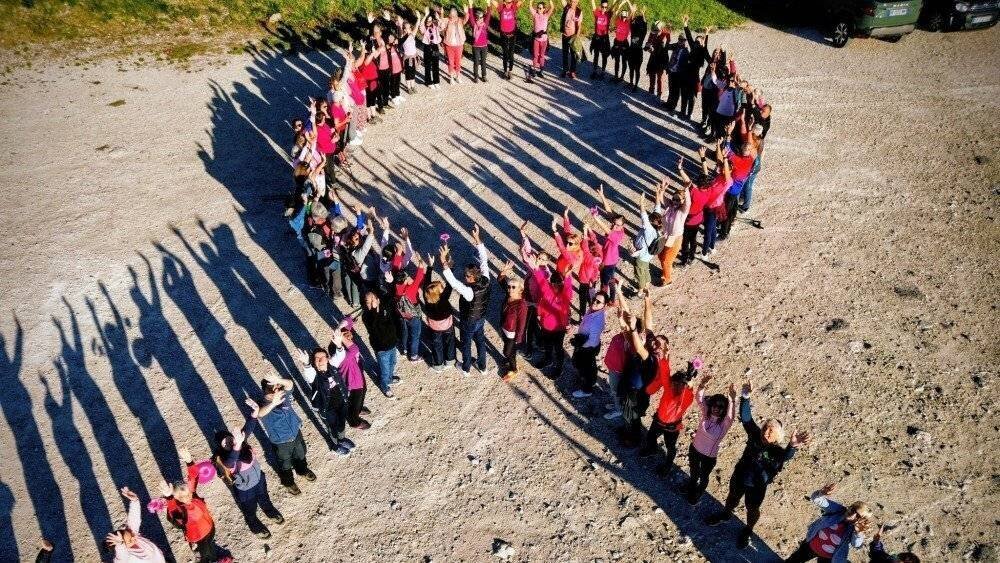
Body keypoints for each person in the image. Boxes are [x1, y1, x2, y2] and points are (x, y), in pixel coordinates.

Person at [705, 376, 811, 549]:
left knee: (752, 508)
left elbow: (785, 457)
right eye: (765, 429)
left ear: (778, 436)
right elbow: (746, 419)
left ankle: (748, 529)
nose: (766, 434)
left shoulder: (776, 451)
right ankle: (725, 514)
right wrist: (745, 397)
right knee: (732, 497)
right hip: (739, 476)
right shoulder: (754, 435)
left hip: (757, 486)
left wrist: (792, 446)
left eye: (771, 432)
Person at [213, 413, 285, 539]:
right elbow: (231, 462)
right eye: (225, 444)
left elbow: (249, 427)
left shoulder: (242, 443)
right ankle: (254, 525)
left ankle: (270, 512)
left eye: (229, 439)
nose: (229, 443)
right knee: (250, 510)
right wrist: (237, 445)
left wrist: (254, 414)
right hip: (245, 490)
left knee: (265, 498)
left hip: (259, 480)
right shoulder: (226, 459)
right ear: (221, 449)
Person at [441, 224, 493, 376]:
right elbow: (484, 261)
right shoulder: (486, 279)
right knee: (481, 341)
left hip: (469, 320)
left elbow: (454, 283)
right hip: (480, 317)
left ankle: (466, 368)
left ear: (472, 277)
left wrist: (444, 263)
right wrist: (478, 240)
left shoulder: (469, 291)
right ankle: (483, 367)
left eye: (466, 276)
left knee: (466, 343)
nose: (464, 278)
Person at [255, 374, 316, 495]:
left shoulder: (283, 395)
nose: (275, 390)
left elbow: (290, 384)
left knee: (301, 454)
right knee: (285, 464)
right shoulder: (262, 404)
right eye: (270, 388)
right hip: (281, 442)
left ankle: (302, 470)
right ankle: (288, 482)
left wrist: (278, 380)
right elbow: (259, 414)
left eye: (277, 387)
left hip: (296, 433)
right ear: (264, 391)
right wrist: (273, 403)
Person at [639, 354, 697, 481]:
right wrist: (663, 358)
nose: (676, 386)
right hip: (658, 422)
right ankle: (652, 449)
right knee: (650, 436)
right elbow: (665, 373)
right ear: (671, 383)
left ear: (684, 386)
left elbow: (690, 391)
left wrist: (690, 382)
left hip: (672, 428)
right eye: (674, 383)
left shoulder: (685, 398)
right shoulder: (668, 389)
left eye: (680, 384)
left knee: (670, 447)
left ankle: (668, 465)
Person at [784, 483, 872, 563]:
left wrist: (858, 533)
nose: (853, 515)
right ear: (850, 507)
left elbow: (856, 545)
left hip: (828, 557)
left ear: (861, 520)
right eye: (853, 510)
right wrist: (821, 493)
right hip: (811, 545)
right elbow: (817, 499)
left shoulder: (855, 529)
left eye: (858, 516)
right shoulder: (838, 510)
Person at [160, 448, 218, 561]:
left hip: (209, 528)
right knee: (203, 555)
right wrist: (168, 497)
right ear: (175, 497)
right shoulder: (178, 509)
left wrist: (189, 461)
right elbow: (174, 514)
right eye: (181, 497)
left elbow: (194, 477)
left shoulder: (192, 495)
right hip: (197, 537)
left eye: (187, 494)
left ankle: (211, 555)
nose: (186, 498)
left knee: (210, 545)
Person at [686, 376, 737, 505]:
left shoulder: (725, 424)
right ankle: (691, 487)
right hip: (694, 449)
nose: (716, 408)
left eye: (720, 407)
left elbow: (731, 416)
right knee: (693, 472)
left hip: (708, 457)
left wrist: (731, 400)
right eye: (715, 405)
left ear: (724, 410)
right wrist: (702, 385)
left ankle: (698, 493)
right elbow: (699, 399)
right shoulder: (706, 413)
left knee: (703, 477)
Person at [677, 151, 731, 265]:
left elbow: (689, 181)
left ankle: (704, 254)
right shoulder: (716, 181)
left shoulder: (727, 182)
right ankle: (711, 247)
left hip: (713, 209)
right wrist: (702, 158)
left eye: (723, 169)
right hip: (709, 207)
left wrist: (725, 158)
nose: (720, 169)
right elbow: (706, 174)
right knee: (712, 229)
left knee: (708, 231)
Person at [616, 295, 655, 446]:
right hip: (629, 386)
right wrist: (646, 301)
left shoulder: (648, 356)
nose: (642, 337)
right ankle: (629, 433)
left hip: (637, 393)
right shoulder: (637, 342)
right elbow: (628, 318)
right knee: (629, 415)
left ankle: (633, 439)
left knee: (633, 417)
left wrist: (632, 328)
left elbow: (644, 326)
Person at [528, 251, 574, 378]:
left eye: (558, 282)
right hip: (545, 325)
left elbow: (562, 290)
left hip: (558, 329)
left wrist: (569, 277)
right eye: (553, 282)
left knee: (558, 349)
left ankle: (559, 368)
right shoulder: (550, 290)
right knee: (548, 345)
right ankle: (548, 359)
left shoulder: (564, 297)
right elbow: (543, 285)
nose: (555, 284)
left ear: (562, 283)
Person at [299, 346, 352, 456]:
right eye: (316, 359)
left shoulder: (332, 366)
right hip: (327, 409)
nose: (320, 360)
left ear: (327, 359)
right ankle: (335, 446)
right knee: (332, 428)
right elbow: (309, 373)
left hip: (342, 403)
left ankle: (341, 439)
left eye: (322, 357)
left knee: (342, 422)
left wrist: (338, 346)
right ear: (314, 362)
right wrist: (306, 364)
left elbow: (340, 356)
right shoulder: (314, 376)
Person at [104, 487, 166, 562]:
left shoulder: (133, 535)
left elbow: (134, 519)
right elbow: (122, 555)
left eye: (131, 535)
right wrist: (120, 545)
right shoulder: (125, 558)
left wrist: (134, 501)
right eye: (130, 541)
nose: (134, 538)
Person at [361, 287, 401, 397]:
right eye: (368, 302)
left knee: (392, 363)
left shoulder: (383, 307)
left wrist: (390, 282)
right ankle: (384, 386)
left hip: (392, 343)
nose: (370, 303)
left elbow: (391, 296)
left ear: (377, 299)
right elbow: (375, 326)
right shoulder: (366, 316)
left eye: (372, 299)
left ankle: (390, 378)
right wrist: (375, 311)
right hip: (381, 348)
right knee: (384, 370)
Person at [335, 317, 372, 429]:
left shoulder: (347, 340)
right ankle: (354, 422)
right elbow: (354, 350)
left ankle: (358, 409)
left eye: (349, 333)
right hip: (352, 382)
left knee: (363, 392)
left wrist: (350, 321)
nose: (349, 335)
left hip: (358, 376)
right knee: (355, 399)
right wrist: (341, 335)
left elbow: (346, 321)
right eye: (345, 335)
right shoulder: (337, 349)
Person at [592, 183, 626, 304]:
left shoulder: (616, 235)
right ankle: (611, 299)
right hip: (610, 259)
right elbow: (609, 212)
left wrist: (595, 217)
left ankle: (605, 300)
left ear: (622, 225)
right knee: (609, 279)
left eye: (617, 225)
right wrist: (602, 196)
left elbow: (606, 228)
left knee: (605, 282)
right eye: (614, 223)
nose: (614, 225)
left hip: (608, 261)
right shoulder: (619, 228)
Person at [423, 259, 458, 372]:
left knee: (437, 346)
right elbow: (450, 284)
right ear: (438, 292)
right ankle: (450, 360)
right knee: (450, 343)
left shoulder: (427, 299)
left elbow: (426, 285)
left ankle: (438, 365)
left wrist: (430, 267)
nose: (443, 288)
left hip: (434, 328)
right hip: (447, 326)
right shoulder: (443, 298)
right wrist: (450, 268)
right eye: (441, 288)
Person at [571, 291, 606, 397]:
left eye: (598, 301)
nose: (594, 302)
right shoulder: (593, 310)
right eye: (594, 299)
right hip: (584, 345)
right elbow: (592, 293)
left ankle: (587, 390)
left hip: (588, 348)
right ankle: (585, 379)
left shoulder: (598, 320)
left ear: (604, 305)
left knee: (587, 369)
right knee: (581, 365)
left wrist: (579, 346)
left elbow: (592, 340)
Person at [497, 261, 528, 381]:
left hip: (512, 332)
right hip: (504, 327)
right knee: (508, 350)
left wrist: (519, 339)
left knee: (506, 351)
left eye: (513, 287)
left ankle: (514, 369)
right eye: (509, 286)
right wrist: (504, 271)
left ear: (520, 289)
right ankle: (510, 358)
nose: (510, 289)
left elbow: (522, 323)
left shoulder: (521, 305)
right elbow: (500, 280)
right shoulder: (509, 294)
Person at [394, 252, 427, 362]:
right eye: (407, 276)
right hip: (413, 316)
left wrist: (398, 254)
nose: (409, 277)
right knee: (415, 336)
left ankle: (404, 350)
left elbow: (395, 268)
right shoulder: (411, 288)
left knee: (405, 333)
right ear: (404, 280)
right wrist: (420, 260)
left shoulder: (397, 286)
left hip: (402, 315)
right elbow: (420, 274)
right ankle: (413, 356)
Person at [629, 190, 663, 295]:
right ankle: (647, 284)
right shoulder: (657, 228)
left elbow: (643, 215)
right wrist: (657, 194)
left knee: (639, 273)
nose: (647, 219)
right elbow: (657, 208)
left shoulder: (649, 230)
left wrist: (641, 201)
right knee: (645, 269)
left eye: (649, 219)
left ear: (651, 222)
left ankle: (640, 290)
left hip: (642, 256)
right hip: (648, 256)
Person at [655, 180, 689, 286]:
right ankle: (666, 270)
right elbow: (661, 198)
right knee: (661, 256)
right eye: (674, 199)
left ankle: (667, 279)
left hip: (675, 238)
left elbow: (688, 203)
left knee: (667, 260)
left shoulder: (683, 211)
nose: (675, 201)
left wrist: (686, 190)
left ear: (683, 200)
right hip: (665, 236)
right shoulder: (670, 206)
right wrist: (663, 189)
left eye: (678, 200)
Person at [681, 14, 711, 121]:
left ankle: (689, 114)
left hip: (694, 76)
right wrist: (685, 24)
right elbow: (689, 36)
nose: (697, 41)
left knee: (691, 96)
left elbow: (706, 49)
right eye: (696, 40)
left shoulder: (703, 51)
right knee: (684, 94)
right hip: (687, 73)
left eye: (699, 40)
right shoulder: (693, 46)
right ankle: (682, 112)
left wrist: (706, 35)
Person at [466, 0, 492, 83]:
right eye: (479, 17)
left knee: (483, 62)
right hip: (476, 47)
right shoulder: (474, 25)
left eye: (482, 17)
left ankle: (484, 76)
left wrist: (488, 4)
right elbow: (471, 17)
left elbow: (488, 15)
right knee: (476, 62)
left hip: (484, 46)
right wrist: (470, 5)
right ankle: (476, 76)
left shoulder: (485, 24)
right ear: (476, 18)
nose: (481, 19)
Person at [663, 33, 688, 113]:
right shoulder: (675, 45)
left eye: (683, 40)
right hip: (671, 71)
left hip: (678, 74)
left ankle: (673, 106)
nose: (681, 41)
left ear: (685, 41)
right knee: (671, 88)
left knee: (676, 91)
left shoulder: (686, 51)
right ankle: (669, 103)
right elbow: (666, 47)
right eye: (680, 39)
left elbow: (684, 64)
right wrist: (668, 40)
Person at [528, 0, 554, 80]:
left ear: (544, 9)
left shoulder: (546, 15)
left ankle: (541, 71)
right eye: (538, 8)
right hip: (536, 39)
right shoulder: (535, 15)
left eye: (540, 8)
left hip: (544, 40)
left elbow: (552, 7)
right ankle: (534, 69)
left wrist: (550, 1)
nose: (539, 9)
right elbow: (530, 6)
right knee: (535, 55)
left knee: (542, 56)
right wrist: (531, 1)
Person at [496, 0, 522, 79]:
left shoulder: (513, 7)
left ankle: (510, 71)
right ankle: (505, 71)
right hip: (503, 34)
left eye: (510, 2)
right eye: (507, 2)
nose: (509, 4)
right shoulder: (501, 8)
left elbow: (521, 1)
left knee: (511, 53)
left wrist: (513, 1)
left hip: (512, 34)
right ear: (504, 2)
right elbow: (493, 2)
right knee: (505, 53)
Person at [418, 7, 443, 89]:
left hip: (435, 46)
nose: (429, 22)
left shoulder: (435, 27)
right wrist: (425, 16)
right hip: (427, 47)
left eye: (430, 20)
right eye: (427, 21)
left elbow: (442, 26)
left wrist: (438, 18)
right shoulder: (424, 28)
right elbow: (420, 25)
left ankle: (436, 81)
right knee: (428, 65)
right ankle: (428, 82)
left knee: (436, 65)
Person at [644, 21, 669, 99]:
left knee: (660, 76)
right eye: (654, 30)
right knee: (651, 73)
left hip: (662, 57)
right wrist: (648, 48)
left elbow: (666, 47)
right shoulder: (652, 33)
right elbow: (647, 44)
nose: (655, 32)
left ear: (661, 29)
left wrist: (654, 51)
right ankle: (651, 90)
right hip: (653, 56)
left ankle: (659, 93)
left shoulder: (666, 34)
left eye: (657, 30)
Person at [442, 6, 467, 83]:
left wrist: (466, 12)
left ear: (456, 13)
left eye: (454, 13)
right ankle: (451, 77)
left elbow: (466, 20)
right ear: (449, 14)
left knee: (458, 61)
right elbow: (441, 23)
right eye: (451, 14)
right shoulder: (447, 20)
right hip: (449, 44)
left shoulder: (460, 20)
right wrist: (441, 13)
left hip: (459, 44)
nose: (452, 15)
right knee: (450, 61)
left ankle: (458, 76)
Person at [559, 0, 583, 78]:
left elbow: (579, 25)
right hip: (565, 35)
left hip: (573, 36)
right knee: (565, 53)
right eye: (572, 1)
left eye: (575, 2)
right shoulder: (567, 7)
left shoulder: (579, 12)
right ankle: (565, 70)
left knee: (573, 54)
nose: (573, 3)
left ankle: (572, 71)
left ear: (578, 2)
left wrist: (577, 36)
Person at [589, 0, 612, 78]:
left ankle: (603, 72)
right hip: (597, 37)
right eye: (603, 7)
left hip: (605, 37)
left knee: (604, 55)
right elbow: (593, 4)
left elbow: (614, 7)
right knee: (596, 55)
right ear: (600, 6)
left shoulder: (608, 14)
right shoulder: (597, 13)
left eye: (606, 7)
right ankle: (594, 71)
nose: (604, 8)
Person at [626, 7, 647, 91]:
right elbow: (631, 21)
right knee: (631, 69)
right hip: (633, 51)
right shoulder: (634, 30)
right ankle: (631, 83)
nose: (637, 22)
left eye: (638, 21)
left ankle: (635, 85)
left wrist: (643, 14)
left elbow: (645, 24)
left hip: (637, 51)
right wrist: (633, 12)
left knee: (636, 70)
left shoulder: (643, 32)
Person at [610, 2, 632, 82]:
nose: (624, 18)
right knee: (617, 60)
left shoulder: (628, 22)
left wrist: (628, 2)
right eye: (623, 16)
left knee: (624, 61)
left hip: (624, 43)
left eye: (625, 16)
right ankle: (616, 76)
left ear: (627, 16)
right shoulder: (618, 21)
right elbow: (615, 12)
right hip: (617, 42)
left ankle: (622, 77)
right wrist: (621, 4)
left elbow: (632, 11)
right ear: (621, 16)